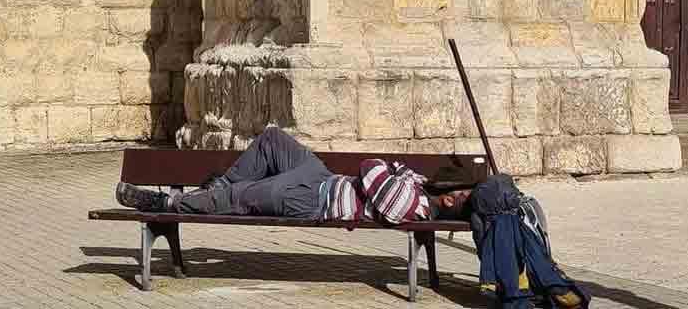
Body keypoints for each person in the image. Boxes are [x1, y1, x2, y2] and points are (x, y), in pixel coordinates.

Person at [115, 127, 473, 223]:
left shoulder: (412, 205)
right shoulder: (416, 188)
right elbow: (377, 172)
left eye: (461, 199)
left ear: (450, 204)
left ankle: (167, 203)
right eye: (462, 190)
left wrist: (390, 171)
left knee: (241, 198)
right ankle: (219, 183)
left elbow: (371, 167)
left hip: (312, 201)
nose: (457, 193)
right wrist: (388, 172)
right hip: (321, 176)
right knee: (272, 139)